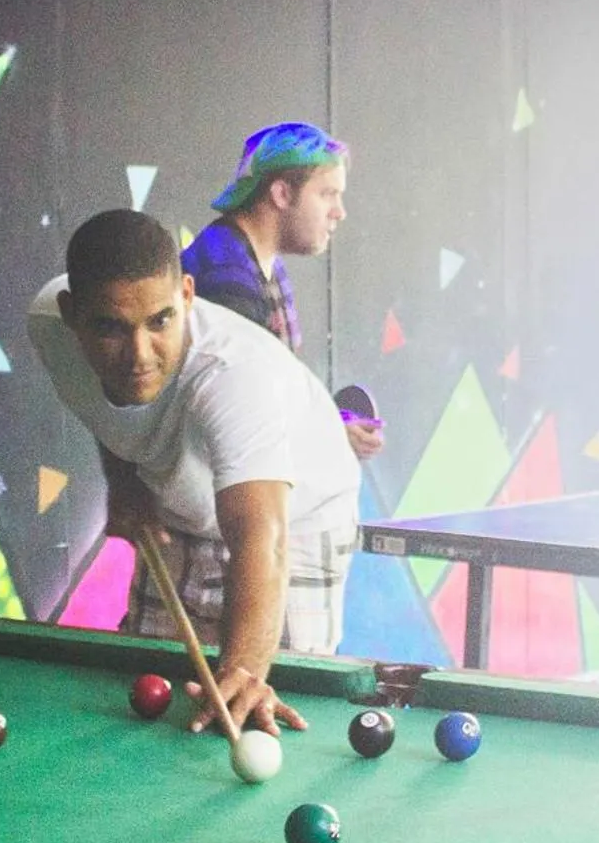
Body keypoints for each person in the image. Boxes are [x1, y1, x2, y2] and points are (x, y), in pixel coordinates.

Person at [29, 209, 359, 735]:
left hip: (296, 519)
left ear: (186, 293)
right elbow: (107, 409)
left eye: (160, 321)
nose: (139, 354)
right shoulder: (49, 330)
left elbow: (260, 537)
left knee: (255, 704)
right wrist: (124, 482)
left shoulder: (232, 375)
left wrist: (247, 669)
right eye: (111, 328)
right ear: (73, 315)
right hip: (183, 503)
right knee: (152, 694)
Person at [181, 122, 383, 463]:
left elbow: (276, 394)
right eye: (327, 194)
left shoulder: (262, 260)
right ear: (282, 194)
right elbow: (244, 415)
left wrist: (332, 425)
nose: (339, 211)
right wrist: (330, 435)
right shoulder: (227, 276)